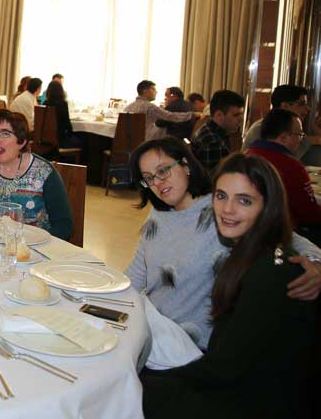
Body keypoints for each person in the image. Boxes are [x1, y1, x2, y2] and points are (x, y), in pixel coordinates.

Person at [141, 153, 317, 419]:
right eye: (221, 196)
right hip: (245, 382)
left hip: (258, 401)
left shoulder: (269, 271)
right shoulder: (251, 253)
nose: (228, 210)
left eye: (244, 200)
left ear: (267, 207)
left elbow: (225, 369)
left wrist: (145, 383)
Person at [127, 138, 321, 350]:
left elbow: (282, 233)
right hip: (153, 331)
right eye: (149, 178)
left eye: (163, 170)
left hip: (193, 346)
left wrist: (315, 262)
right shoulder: (159, 212)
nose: (157, 183)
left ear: (185, 164)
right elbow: (138, 271)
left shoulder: (223, 210)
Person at [0, 109, 73, 240]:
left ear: (22, 141)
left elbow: (63, 225)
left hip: (34, 248)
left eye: (5, 134)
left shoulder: (44, 173)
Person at [246, 108, 321, 245]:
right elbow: (308, 213)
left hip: (251, 230)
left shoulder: (248, 155)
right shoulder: (292, 166)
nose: (301, 139)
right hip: (281, 234)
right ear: (284, 137)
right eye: (299, 134)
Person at [242, 84, 311, 159]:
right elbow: (282, 160)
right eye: (302, 104)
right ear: (285, 106)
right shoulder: (262, 127)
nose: (308, 108)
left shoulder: (287, 127)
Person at [190, 89, 245, 173]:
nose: (241, 119)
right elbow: (216, 178)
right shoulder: (212, 141)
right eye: (236, 115)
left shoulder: (209, 129)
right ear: (219, 115)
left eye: (241, 114)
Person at [123, 80, 197, 141]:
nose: (156, 92)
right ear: (145, 91)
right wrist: (192, 115)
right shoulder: (150, 107)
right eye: (153, 89)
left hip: (129, 141)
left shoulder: (128, 107)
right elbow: (171, 116)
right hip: (147, 140)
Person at [44, 80, 83, 149]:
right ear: (61, 91)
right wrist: (71, 134)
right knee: (83, 140)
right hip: (61, 140)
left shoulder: (45, 103)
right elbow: (67, 123)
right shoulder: (63, 104)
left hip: (47, 139)